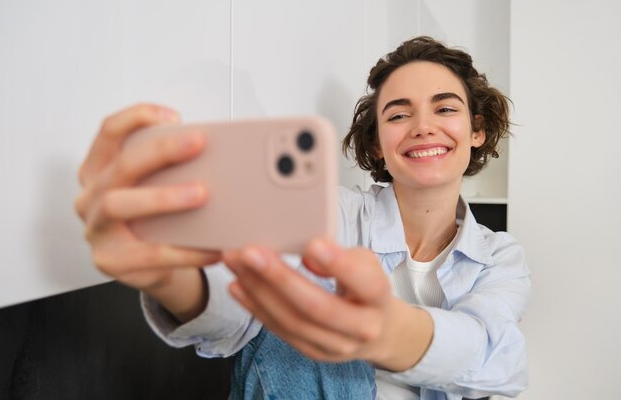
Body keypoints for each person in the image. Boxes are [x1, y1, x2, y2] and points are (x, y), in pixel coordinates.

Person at [75, 36, 531, 400]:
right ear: (376, 145)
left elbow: (493, 359)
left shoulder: (499, 259)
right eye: (398, 114)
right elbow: (241, 312)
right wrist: (168, 273)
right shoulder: (326, 212)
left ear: (477, 131)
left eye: (445, 108)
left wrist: (385, 331)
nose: (423, 126)